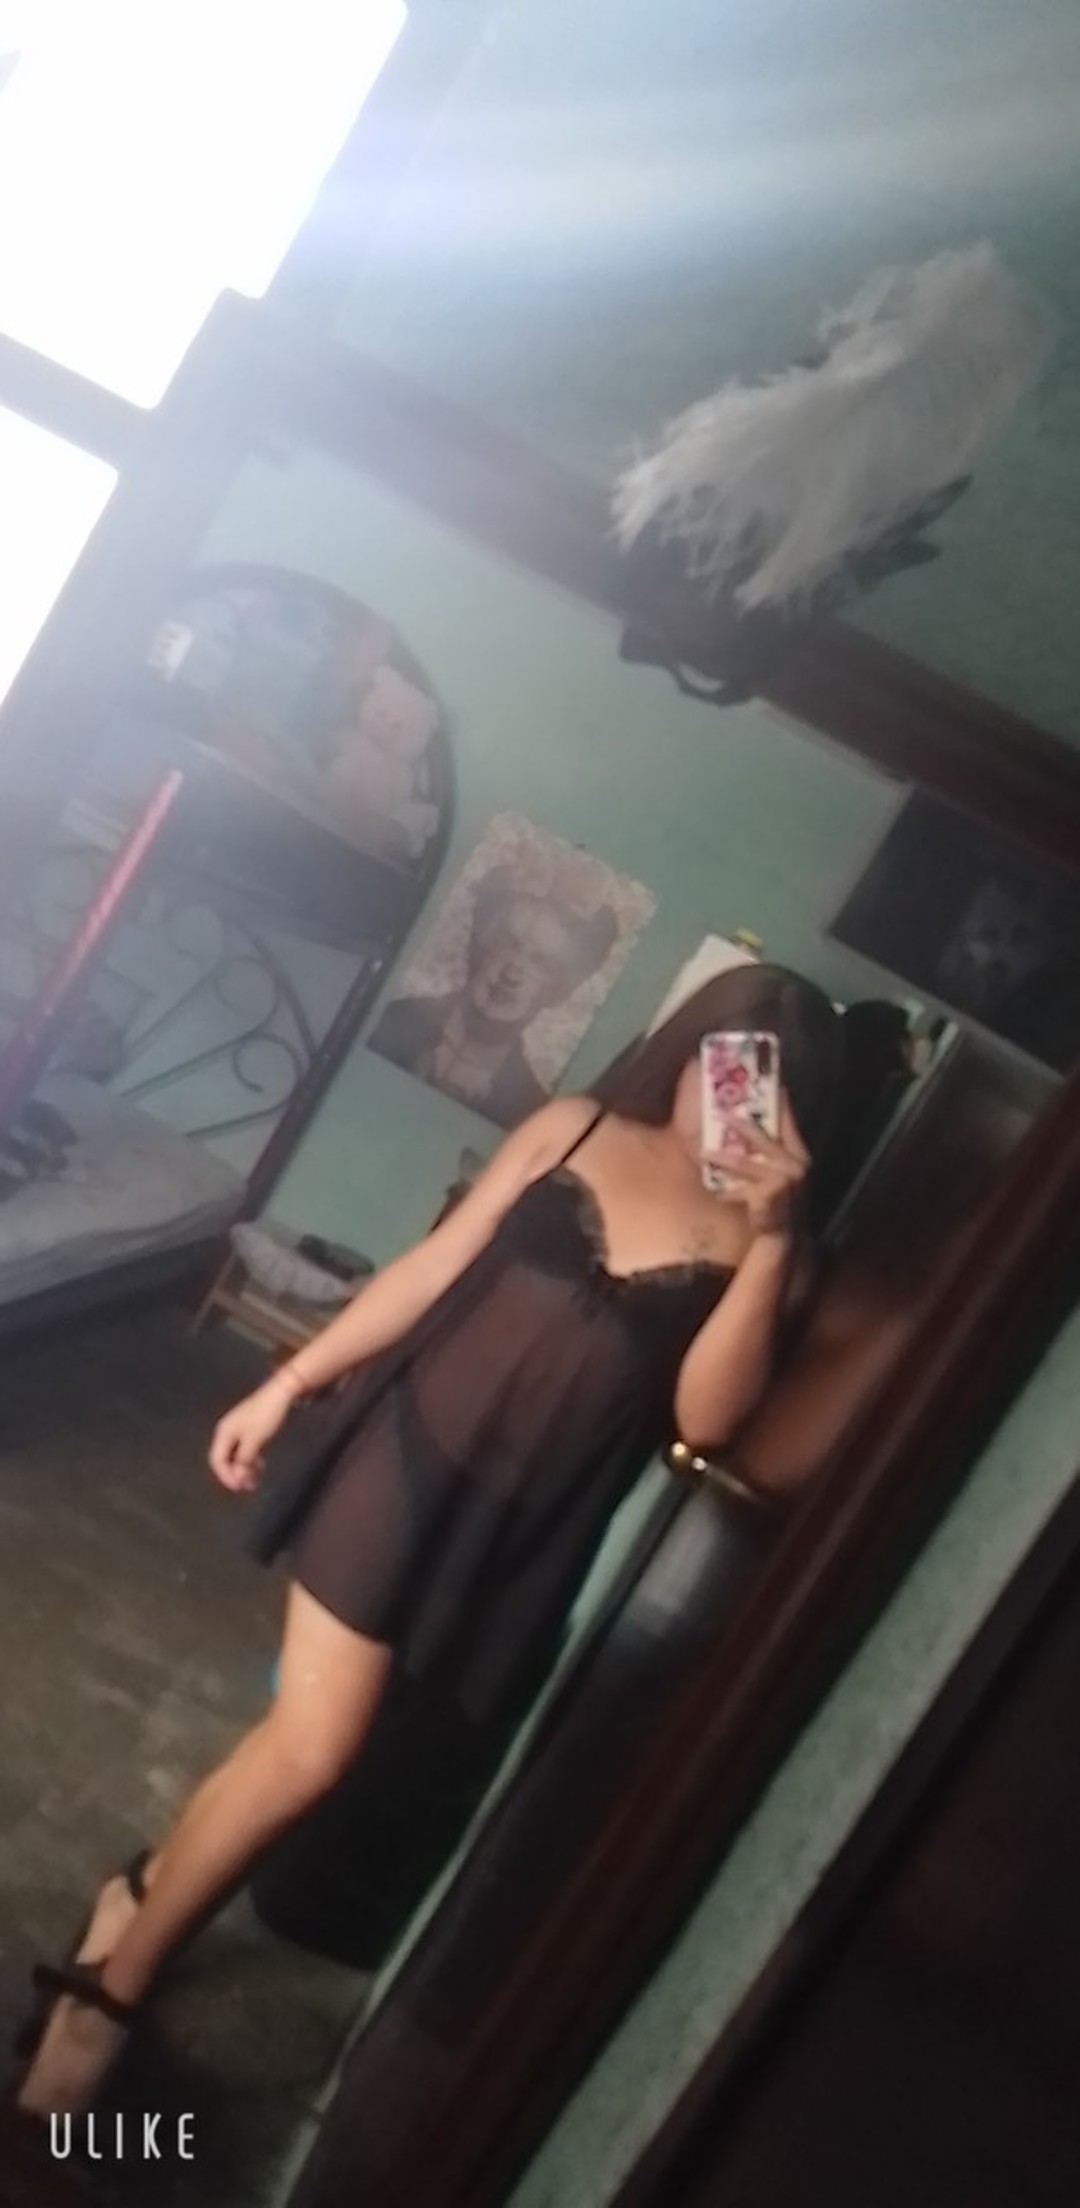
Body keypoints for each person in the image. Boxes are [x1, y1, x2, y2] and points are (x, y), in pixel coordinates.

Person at [13, 962, 846, 2119]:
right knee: (316, 1753)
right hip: (402, 1461)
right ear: (694, 1052)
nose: (736, 1103)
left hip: (516, 1535)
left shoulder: (776, 1252)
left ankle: (140, 1895)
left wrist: (773, 1239)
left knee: (293, 1742)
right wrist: (289, 1383)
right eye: (729, 1068)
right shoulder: (577, 1126)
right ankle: (107, 1998)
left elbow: (705, 1424)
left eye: (770, 1087)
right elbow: (428, 1272)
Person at [370, 868, 620, 1125]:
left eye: (540, 963)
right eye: (508, 943)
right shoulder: (391, 1021)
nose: (512, 973)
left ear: (558, 991)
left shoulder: (530, 1109)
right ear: (478, 946)